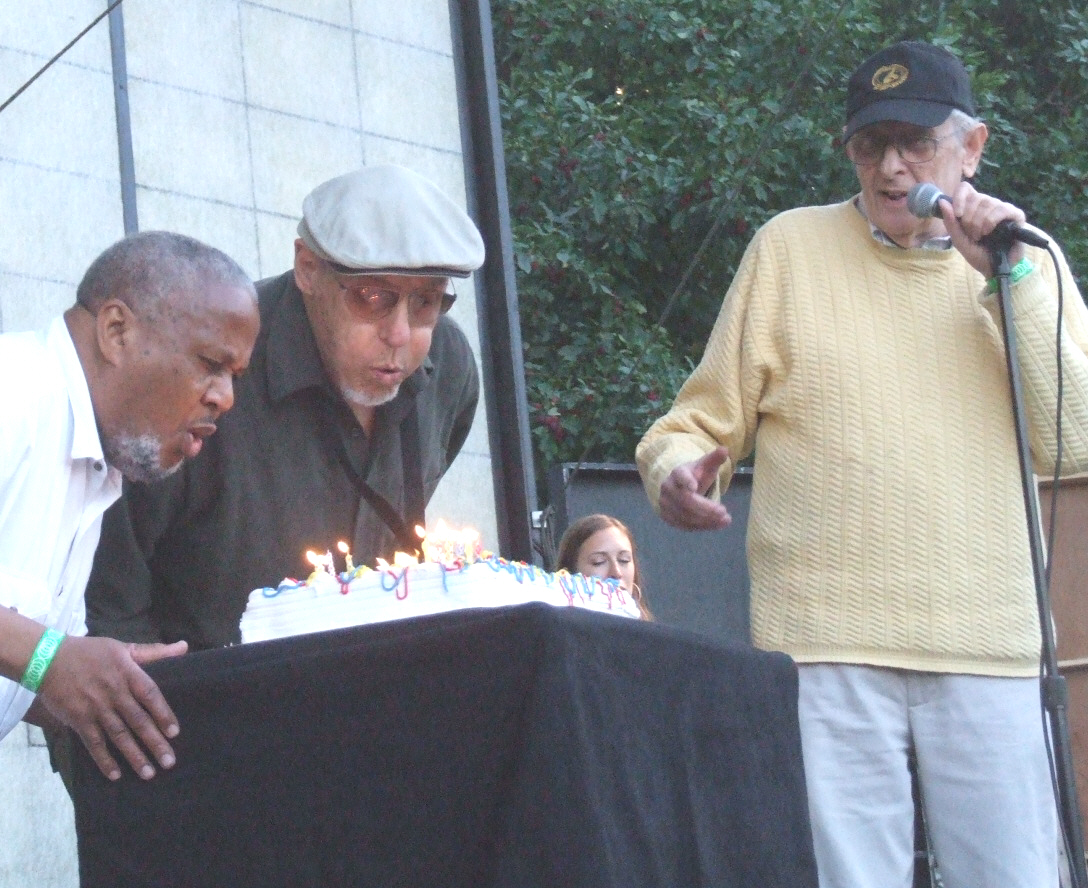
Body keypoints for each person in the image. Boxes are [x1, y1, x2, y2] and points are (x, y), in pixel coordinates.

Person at [636, 40, 1088, 888]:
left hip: (988, 643)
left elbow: (1076, 440)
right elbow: (698, 418)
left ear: (973, 148)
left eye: (916, 143)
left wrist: (1008, 280)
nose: (890, 166)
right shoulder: (789, 249)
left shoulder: (1028, 261)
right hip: (825, 642)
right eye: (870, 142)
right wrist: (677, 467)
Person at [84, 164, 485, 651]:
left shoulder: (451, 365)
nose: (400, 335)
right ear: (308, 269)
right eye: (373, 297)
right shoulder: (207, 362)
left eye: (426, 303)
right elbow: (105, 597)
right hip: (202, 706)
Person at [0, 231, 259, 782]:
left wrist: (127, 693)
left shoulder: (97, 467)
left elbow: (33, 677)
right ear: (117, 331)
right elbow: (41, 660)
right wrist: (50, 659)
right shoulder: (13, 390)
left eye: (235, 377)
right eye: (211, 364)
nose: (225, 397)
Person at [556, 513, 652, 620]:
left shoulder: (649, 635)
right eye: (599, 562)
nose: (616, 572)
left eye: (624, 560)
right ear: (569, 573)